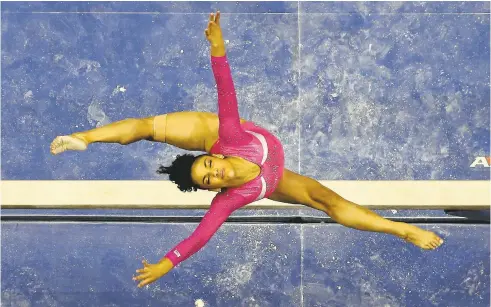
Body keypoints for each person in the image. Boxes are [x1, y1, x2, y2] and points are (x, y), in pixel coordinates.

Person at [50, 11, 444, 288]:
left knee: (149, 127)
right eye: (209, 181)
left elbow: (225, 86)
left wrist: (218, 46)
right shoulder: (231, 199)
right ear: (214, 190)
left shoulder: (230, 137)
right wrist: (165, 265)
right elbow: (200, 237)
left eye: (208, 166)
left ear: (214, 156)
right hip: (272, 178)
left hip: (211, 130)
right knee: (325, 200)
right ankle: (402, 230)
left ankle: (86, 137)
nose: (214, 174)